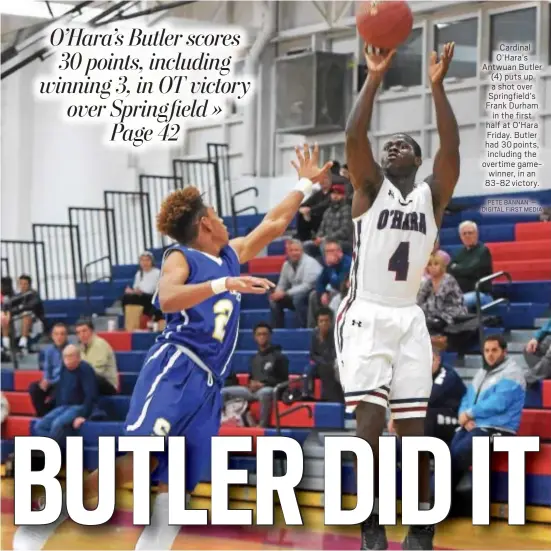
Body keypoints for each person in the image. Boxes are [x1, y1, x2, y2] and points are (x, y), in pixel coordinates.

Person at [13, 144, 332, 551]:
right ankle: (44, 520)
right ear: (204, 224)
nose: (221, 217)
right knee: (139, 460)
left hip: (208, 384)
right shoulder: (181, 257)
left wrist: (305, 183)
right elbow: (166, 299)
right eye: (215, 213)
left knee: (179, 479)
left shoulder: (229, 256)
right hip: (176, 367)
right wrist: (222, 285)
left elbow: (271, 224)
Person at [340, 42, 459, 550]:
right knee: (368, 428)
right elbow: (353, 134)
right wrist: (373, 77)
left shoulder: (433, 195)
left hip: (409, 318)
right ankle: (371, 525)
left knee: (414, 433)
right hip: (366, 311)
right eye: (388, 145)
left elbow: (451, 150)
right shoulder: (369, 187)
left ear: (416, 157)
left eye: (404, 144)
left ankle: (422, 526)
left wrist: (437, 88)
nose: (393, 147)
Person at [451, 335, 525, 489]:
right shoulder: (481, 373)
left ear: (504, 352)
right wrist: (463, 416)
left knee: (460, 453)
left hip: (499, 429)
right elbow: (467, 397)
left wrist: (469, 414)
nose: (490, 354)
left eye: (494, 350)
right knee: (450, 451)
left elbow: (498, 403)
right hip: (476, 425)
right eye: (486, 351)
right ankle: (445, 498)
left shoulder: (513, 373)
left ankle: (437, 497)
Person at [222, 322, 289, 427]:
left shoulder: (279, 357)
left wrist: (264, 384)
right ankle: (223, 420)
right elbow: (251, 377)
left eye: (264, 334)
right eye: (259, 334)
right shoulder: (254, 358)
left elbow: (284, 380)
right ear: (255, 337)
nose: (262, 337)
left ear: (270, 336)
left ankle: (262, 425)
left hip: (270, 390)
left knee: (265, 392)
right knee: (223, 392)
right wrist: (251, 384)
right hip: (252, 391)